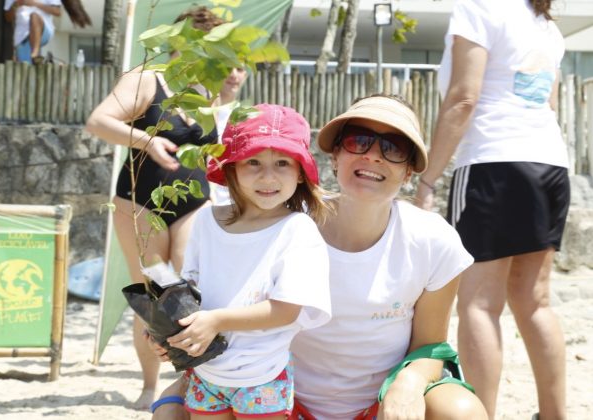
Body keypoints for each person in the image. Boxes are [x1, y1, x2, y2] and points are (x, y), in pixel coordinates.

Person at [150, 95, 488, 420]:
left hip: (380, 405)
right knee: (168, 410)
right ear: (334, 156)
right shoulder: (275, 225)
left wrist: (410, 383)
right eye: (359, 141)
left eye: (393, 148)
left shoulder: (432, 241)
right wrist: (172, 352)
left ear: (409, 171)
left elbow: (430, 347)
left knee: (461, 410)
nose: (373, 156)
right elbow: (218, 307)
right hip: (271, 394)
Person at [85, 6, 246, 410]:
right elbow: (98, 121)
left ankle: (193, 381)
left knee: (190, 291)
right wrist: (146, 141)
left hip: (194, 202)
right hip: (141, 202)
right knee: (155, 296)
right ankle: (148, 385)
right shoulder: (146, 80)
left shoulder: (206, 92)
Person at [415, 1, 569, 419]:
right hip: (550, 164)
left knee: (478, 304)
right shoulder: (544, 22)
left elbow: (464, 98)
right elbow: (547, 102)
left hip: (493, 162)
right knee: (534, 301)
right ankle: (555, 414)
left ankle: (480, 414)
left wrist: (427, 179)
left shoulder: (479, 7)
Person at [165, 103, 331, 418]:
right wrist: (165, 327)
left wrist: (216, 321)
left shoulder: (297, 229)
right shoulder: (205, 221)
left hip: (263, 375)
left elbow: (286, 309)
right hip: (205, 371)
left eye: (282, 162)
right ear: (231, 168)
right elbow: (190, 289)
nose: (268, 176)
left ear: (300, 173)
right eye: (252, 161)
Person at [4, 0, 62, 64]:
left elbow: (57, 11)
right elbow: (8, 18)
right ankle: (35, 59)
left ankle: (35, 54)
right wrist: (16, 5)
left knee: (34, 16)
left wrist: (33, 3)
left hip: (44, 30)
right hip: (22, 37)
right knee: (25, 69)